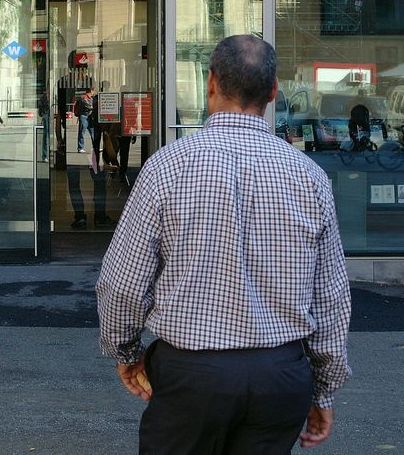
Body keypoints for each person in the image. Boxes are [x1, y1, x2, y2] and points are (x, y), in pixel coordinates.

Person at [96, 34, 351, 453]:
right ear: (272, 92)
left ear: (210, 83)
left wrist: (125, 350)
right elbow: (331, 299)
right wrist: (323, 391)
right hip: (279, 376)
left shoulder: (168, 166)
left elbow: (122, 284)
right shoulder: (310, 177)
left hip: (191, 375)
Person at [74, 86, 96, 153]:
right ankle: (80, 148)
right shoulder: (83, 98)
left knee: (93, 133)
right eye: (93, 91)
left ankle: (95, 147)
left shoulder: (91, 98)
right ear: (91, 91)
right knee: (82, 133)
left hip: (90, 117)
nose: (94, 92)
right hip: (84, 116)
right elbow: (89, 106)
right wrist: (95, 107)